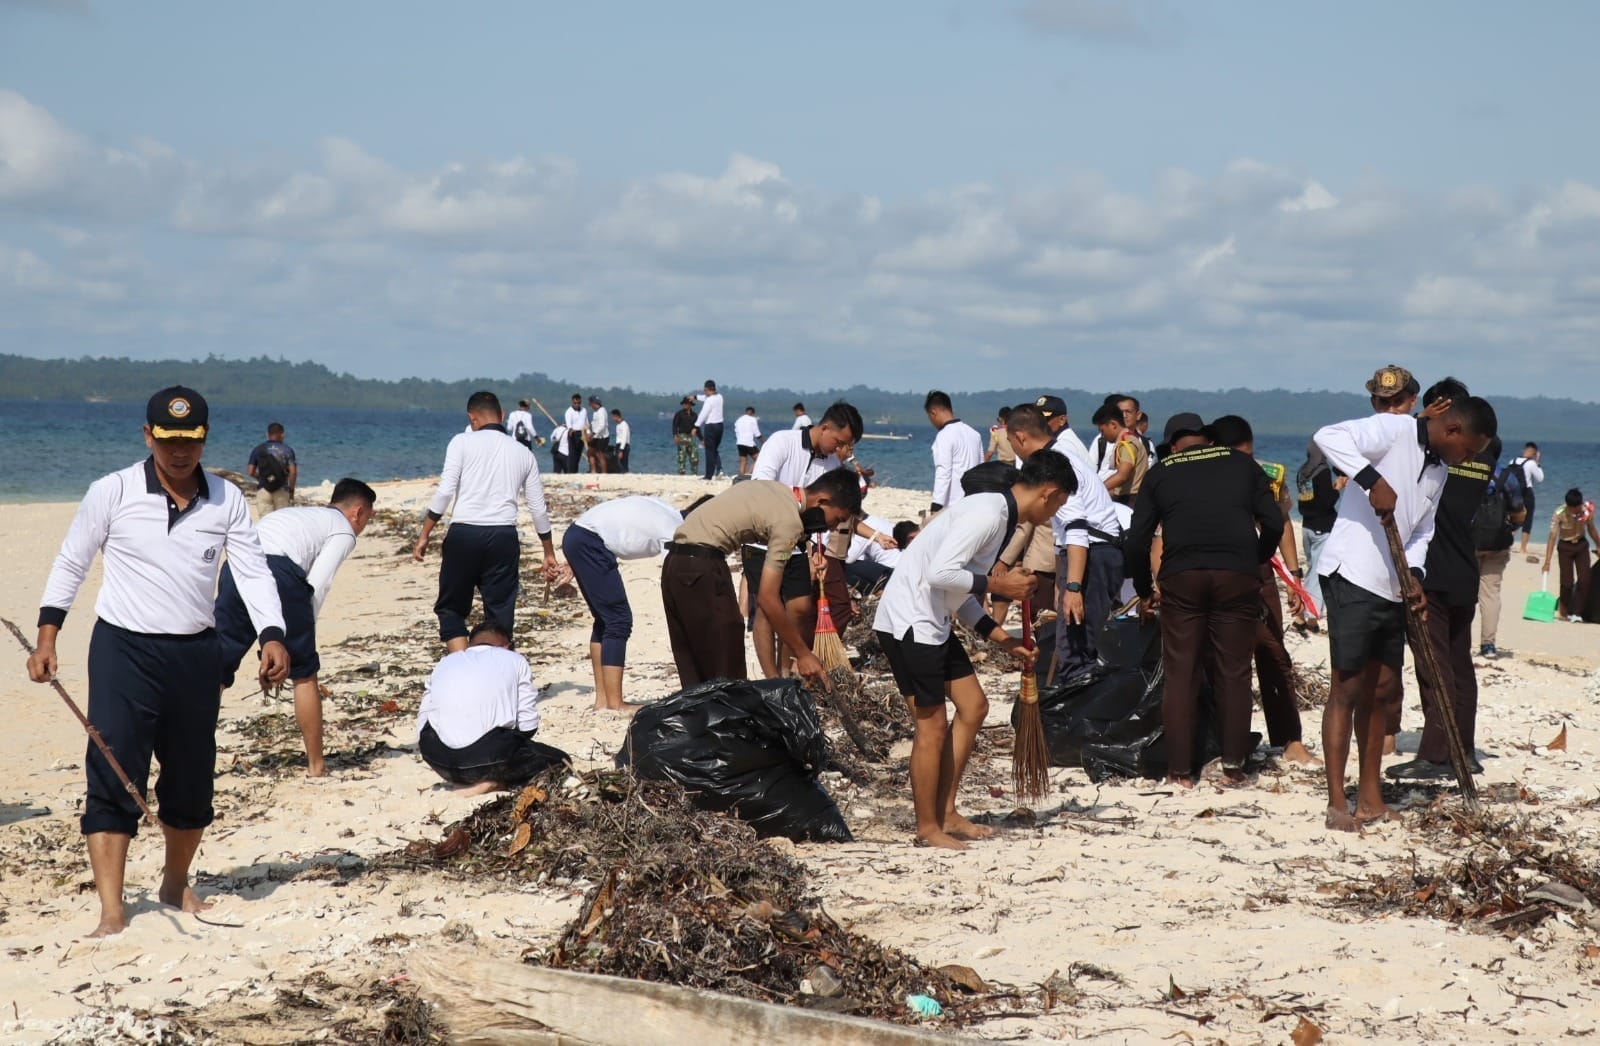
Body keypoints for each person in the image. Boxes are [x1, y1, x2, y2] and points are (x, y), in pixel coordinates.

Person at [28, 387, 290, 937]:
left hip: (197, 653)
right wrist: (47, 636)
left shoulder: (227, 499)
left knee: (192, 779)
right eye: (168, 440)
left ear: (204, 439)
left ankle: (174, 882)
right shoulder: (113, 491)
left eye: (190, 441)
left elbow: (252, 571)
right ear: (148, 436)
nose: (179, 452)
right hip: (123, 650)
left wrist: (272, 634)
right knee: (113, 771)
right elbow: (72, 561)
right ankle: (111, 909)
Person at [1312, 392, 1495, 831]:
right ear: (1452, 430)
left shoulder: (1441, 469)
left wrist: (1413, 572)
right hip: (1352, 573)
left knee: (1384, 690)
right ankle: (1338, 801)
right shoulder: (1394, 431)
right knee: (1349, 686)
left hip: (1392, 585)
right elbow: (1327, 436)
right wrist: (1371, 479)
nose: (1467, 458)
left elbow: (1423, 530)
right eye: (1468, 449)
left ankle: (1370, 797)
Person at [876, 450, 1075, 849]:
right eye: (1059, 506)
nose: (1055, 516)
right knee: (930, 726)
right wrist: (1001, 587)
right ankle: (927, 828)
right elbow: (940, 574)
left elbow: (960, 590)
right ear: (1049, 493)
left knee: (974, 706)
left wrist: (1006, 641)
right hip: (910, 623)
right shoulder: (988, 514)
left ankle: (947, 812)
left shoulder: (1001, 515)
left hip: (931, 621)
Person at [1124, 413, 1283, 787]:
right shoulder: (1243, 465)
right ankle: (1233, 766)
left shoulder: (1161, 473)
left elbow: (1136, 540)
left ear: (1174, 445)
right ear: (1206, 440)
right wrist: (1255, 559)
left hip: (1183, 576)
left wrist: (1144, 589)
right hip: (1236, 576)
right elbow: (1274, 522)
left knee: (1181, 673)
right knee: (1235, 670)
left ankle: (1180, 773)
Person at [214, 478, 377, 777]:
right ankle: (316, 766)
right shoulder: (342, 529)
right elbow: (317, 585)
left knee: (216, 668)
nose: (363, 525)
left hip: (236, 566)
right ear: (358, 512)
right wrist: (294, 641)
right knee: (304, 674)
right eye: (367, 518)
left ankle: (196, 762)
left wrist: (270, 643)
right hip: (279, 569)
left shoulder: (301, 514)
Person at [1385, 378, 1496, 781]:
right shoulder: (1485, 454)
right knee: (1459, 665)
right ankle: (1463, 749)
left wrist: (1417, 424)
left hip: (1430, 571)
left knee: (1435, 668)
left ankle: (1435, 754)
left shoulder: (1430, 458)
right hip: (1465, 568)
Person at [661, 469, 861, 689]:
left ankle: (699, 717)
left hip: (675, 564)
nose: (832, 528)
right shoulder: (789, 522)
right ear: (823, 500)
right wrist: (803, 653)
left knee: (693, 660)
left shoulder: (775, 490)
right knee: (726, 659)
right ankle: (728, 720)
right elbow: (767, 597)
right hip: (702, 568)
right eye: (837, 519)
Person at [413, 391, 562, 651]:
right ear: (502, 416)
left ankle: (461, 667)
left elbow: (446, 491)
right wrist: (548, 552)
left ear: (472, 419)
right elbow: (538, 508)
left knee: (451, 609)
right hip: (503, 536)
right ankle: (497, 675)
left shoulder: (461, 442)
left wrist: (425, 533)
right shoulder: (523, 453)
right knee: (500, 614)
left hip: (464, 534)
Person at [1208, 415, 1317, 766]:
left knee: (1273, 654)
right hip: (1221, 568)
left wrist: (1294, 578)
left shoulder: (1271, 475)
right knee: (1222, 659)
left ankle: (1289, 739)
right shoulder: (1204, 475)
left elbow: (1282, 521)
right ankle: (1223, 740)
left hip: (1260, 568)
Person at [746, 402, 866, 678]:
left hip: (799, 542)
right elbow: (760, 488)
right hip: (761, 540)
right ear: (824, 427)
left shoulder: (833, 463)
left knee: (798, 607)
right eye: (838, 441)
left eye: (845, 445)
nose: (838, 450)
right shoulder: (782, 442)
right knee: (766, 608)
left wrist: (817, 550)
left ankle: (787, 671)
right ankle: (772, 679)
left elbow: (824, 515)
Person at [1006, 402, 1124, 681]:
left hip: (1092, 552)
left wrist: (1072, 587)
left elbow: (1077, 528)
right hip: (1088, 553)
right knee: (1074, 643)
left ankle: (1078, 717)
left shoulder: (1056, 464)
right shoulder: (1059, 455)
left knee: (1075, 649)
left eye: (1011, 441)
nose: (1014, 448)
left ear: (1021, 437)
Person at [564, 495, 703, 710]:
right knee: (618, 621)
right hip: (590, 541)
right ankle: (615, 703)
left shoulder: (668, 509)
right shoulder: (675, 529)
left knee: (604, 620)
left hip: (579, 534)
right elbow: (675, 574)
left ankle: (603, 700)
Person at [415, 622, 568, 795]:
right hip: (487, 758)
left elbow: (423, 720)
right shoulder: (515, 660)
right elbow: (528, 726)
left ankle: (465, 781)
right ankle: (493, 783)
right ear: (507, 646)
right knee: (561, 761)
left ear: (470, 645)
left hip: (437, 758)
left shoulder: (445, 662)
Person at [1472, 440, 1525, 657]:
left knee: (1464, 592)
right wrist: (1513, 528)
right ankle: (1488, 645)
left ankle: (1457, 640)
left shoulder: (1466, 470)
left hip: (1469, 539)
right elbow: (1519, 510)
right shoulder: (1507, 476)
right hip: (1497, 543)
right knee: (1491, 593)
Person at [1295, 440, 1343, 634]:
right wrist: (1338, 487)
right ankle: (1310, 616)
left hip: (1306, 525)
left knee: (1310, 570)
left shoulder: (1303, 471)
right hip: (1322, 527)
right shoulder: (1322, 472)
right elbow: (1326, 501)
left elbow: (1309, 500)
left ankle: (1303, 613)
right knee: (1317, 572)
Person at [925, 390, 985, 515]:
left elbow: (943, 472)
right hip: (974, 503)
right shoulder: (974, 434)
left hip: (952, 506)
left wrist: (936, 506)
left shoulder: (944, 436)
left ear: (933, 412)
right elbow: (981, 469)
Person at [1543, 488, 1598, 622]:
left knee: (1585, 579)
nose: (1577, 510)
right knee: (1567, 582)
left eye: (1579, 507)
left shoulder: (1586, 511)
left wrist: (1598, 544)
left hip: (1581, 545)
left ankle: (1577, 613)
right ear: (1568, 506)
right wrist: (1547, 561)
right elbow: (1552, 537)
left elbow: (1591, 528)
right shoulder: (1559, 513)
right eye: (1574, 508)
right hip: (1565, 547)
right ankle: (1564, 611)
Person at [1091, 402, 1149, 506]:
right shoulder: (1128, 441)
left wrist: (1097, 490)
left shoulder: (1127, 444)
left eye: (1102, 431)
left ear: (1113, 425)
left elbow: (1122, 476)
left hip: (1131, 501)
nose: (1102, 436)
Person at [247, 422, 298, 517]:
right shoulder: (287, 450)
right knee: (282, 521)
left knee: (265, 522)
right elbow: (293, 472)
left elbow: (250, 471)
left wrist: (262, 477)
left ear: (267, 434)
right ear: (282, 435)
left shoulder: (258, 449)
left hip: (263, 489)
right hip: (281, 489)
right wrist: (291, 491)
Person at [1033, 394, 1092, 464]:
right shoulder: (1062, 440)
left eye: (1044, 419)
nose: (1039, 423)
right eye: (1037, 419)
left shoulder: (1064, 445)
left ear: (1062, 420)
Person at [1511, 443, 1545, 557]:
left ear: (1524, 450)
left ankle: (1506, 542)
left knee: (1514, 518)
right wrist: (1538, 462)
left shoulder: (1513, 461)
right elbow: (1540, 478)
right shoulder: (1531, 463)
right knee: (1528, 518)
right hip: (1526, 493)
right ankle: (1523, 548)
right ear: (1534, 453)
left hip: (1513, 493)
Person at [692, 379, 726, 480]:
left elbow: (703, 414)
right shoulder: (719, 397)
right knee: (714, 449)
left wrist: (695, 426)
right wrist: (695, 397)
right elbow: (706, 397)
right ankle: (720, 470)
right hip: (720, 426)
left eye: (705, 390)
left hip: (711, 426)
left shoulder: (709, 401)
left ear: (707, 389)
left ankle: (708, 475)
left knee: (709, 451)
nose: (704, 392)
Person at [672, 396, 700, 476]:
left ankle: (694, 473)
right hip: (682, 436)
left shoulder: (694, 415)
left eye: (686, 404)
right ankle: (681, 472)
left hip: (691, 437)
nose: (684, 405)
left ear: (690, 405)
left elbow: (697, 427)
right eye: (683, 404)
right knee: (682, 455)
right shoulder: (679, 414)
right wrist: (675, 435)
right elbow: (675, 425)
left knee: (694, 456)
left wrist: (701, 439)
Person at [583, 395, 611, 474]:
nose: (590, 406)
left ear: (594, 403)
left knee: (600, 455)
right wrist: (590, 425)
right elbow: (595, 421)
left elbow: (602, 425)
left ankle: (604, 473)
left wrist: (593, 433)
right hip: (596, 437)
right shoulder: (596, 412)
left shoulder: (602, 411)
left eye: (590, 404)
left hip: (602, 437)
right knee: (590, 452)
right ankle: (593, 471)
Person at [734, 406, 764, 477]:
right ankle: (749, 474)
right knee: (759, 459)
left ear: (746, 412)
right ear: (753, 413)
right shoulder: (752, 419)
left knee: (743, 462)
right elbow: (757, 434)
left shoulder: (739, 420)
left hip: (739, 442)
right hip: (749, 443)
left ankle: (741, 477)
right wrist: (764, 442)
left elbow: (736, 431)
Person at [610, 408, 631, 473]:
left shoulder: (624, 424)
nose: (613, 419)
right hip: (619, 444)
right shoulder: (618, 425)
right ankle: (622, 473)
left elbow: (624, 438)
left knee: (623, 463)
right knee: (618, 463)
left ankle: (625, 472)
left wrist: (621, 450)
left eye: (613, 417)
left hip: (623, 445)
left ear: (616, 416)